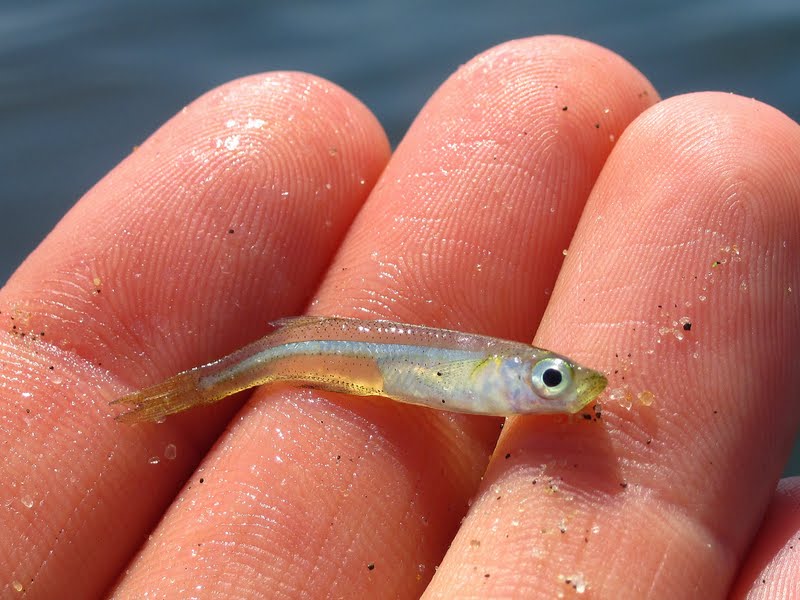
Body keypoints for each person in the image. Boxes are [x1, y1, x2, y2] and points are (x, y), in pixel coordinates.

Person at [1, 36, 798, 598]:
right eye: (551, 378)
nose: (560, 390)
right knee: (258, 364)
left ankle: (178, 392)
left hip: (351, 359)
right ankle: (174, 394)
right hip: (322, 357)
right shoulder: (484, 373)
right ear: (513, 375)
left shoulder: (496, 380)